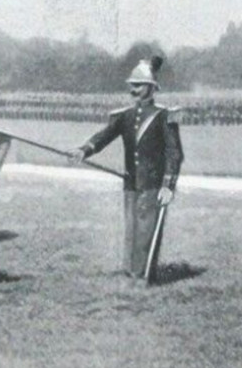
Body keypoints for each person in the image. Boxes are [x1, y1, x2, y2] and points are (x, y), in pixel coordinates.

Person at [70, 55, 183, 282]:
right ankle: (130, 273)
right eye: (131, 85)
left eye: (138, 85)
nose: (133, 90)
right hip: (131, 182)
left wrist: (168, 184)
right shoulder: (126, 116)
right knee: (132, 229)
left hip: (152, 184)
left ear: (151, 87)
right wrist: (85, 149)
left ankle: (143, 275)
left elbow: (174, 153)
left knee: (146, 230)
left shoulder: (162, 116)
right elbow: (105, 135)